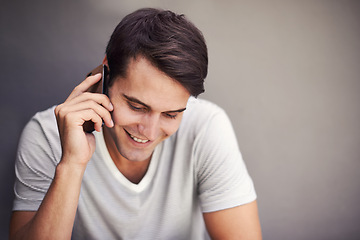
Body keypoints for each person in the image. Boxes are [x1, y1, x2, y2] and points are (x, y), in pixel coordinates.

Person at [9, 8, 262, 240]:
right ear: (105, 74)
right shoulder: (47, 134)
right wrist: (71, 164)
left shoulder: (206, 127)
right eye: (137, 107)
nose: (149, 132)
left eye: (171, 114)